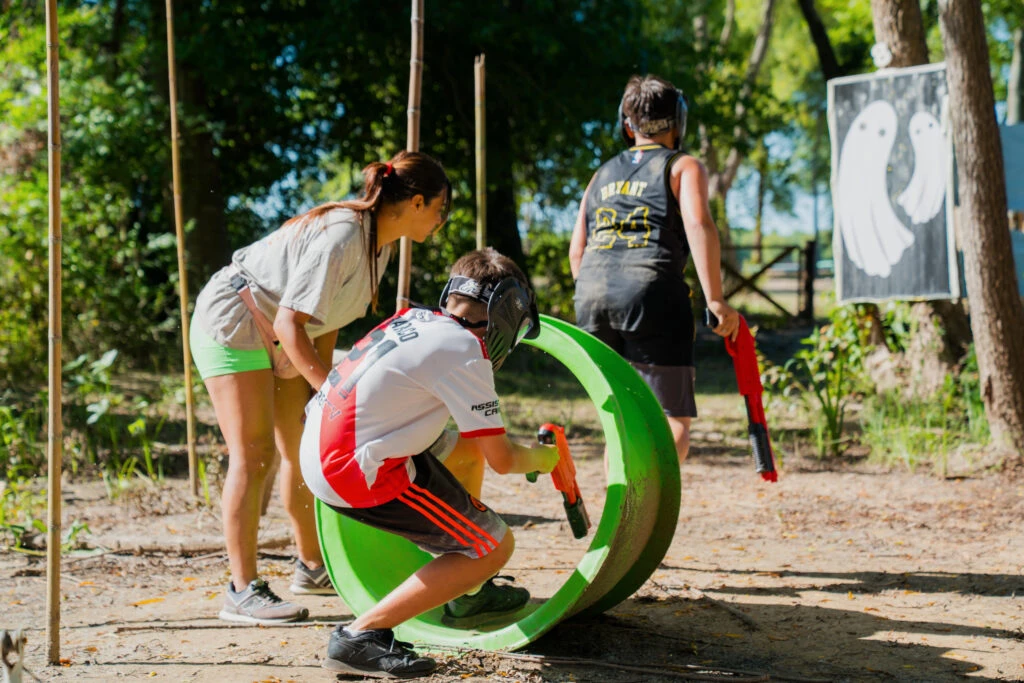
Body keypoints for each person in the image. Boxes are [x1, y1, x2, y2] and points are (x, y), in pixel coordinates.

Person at [189, 151, 452, 625]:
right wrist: (333, 392)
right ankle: (241, 589)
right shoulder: (343, 234)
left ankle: (311, 566)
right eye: (440, 209)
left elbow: (324, 319)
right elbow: (291, 321)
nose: (440, 222)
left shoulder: (381, 245)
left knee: (305, 448)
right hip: (236, 318)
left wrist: (320, 395)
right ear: (416, 202)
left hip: (287, 336)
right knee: (254, 454)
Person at [299, 248, 559, 678]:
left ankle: (467, 593)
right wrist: (546, 458)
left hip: (325, 447)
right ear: (506, 314)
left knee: (461, 445)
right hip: (355, 473)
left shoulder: (414, 320)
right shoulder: (464, 349)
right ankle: (359, 637)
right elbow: (504, 459)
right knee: (492, 546)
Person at [569, 74, 740, 462]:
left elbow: (577, 250)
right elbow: (699, 225)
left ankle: (625, 506)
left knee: (620, 417)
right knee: (672, 418)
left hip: (592, 296)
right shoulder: (683, 166)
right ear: (678, 121)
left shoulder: (600, 175)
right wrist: (715, 300)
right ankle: (651, 509)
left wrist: (596, 291)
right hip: (653, 294)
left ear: (627, 124)